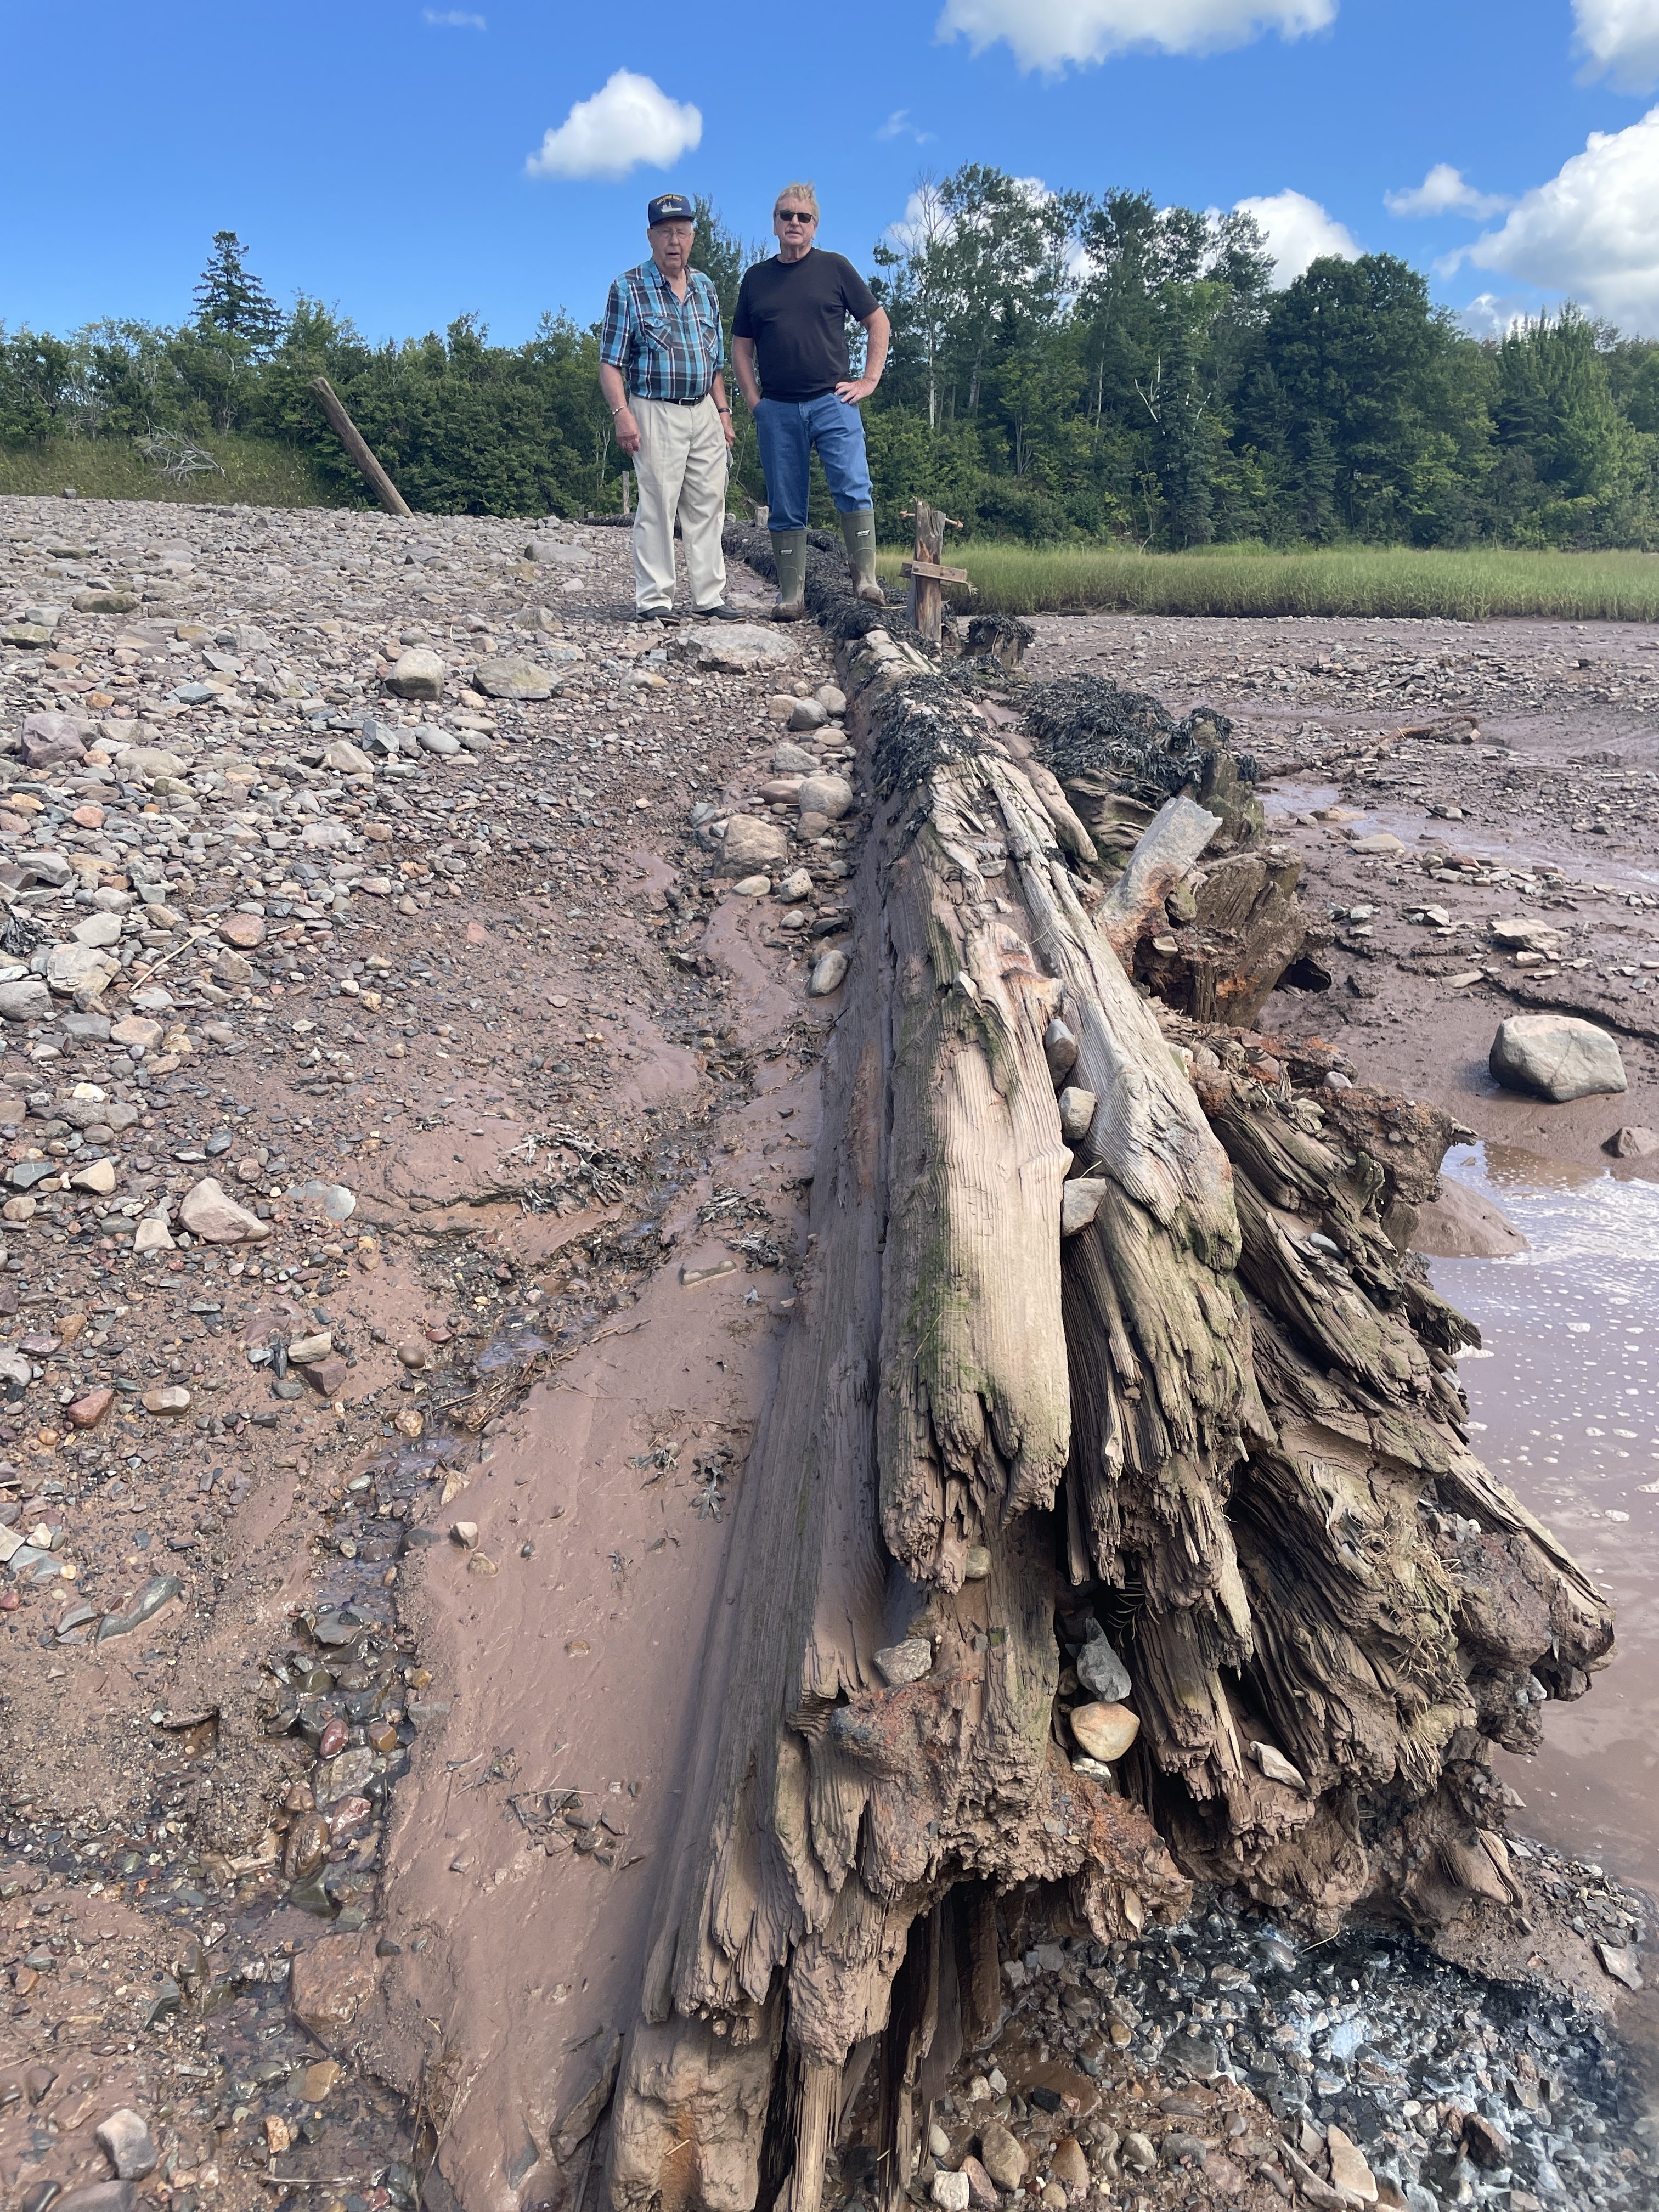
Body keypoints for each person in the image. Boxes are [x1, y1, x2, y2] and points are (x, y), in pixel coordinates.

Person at [731, 183, 890, 620]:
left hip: (833, 400)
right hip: (777, 409)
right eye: (786, 216)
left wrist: (869, 379)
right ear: (775, 224)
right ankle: (790, 595)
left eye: (802, 217)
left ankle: (867, 580)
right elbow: (741, 347)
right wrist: (753, 401)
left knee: (853, 485)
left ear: (815, 226)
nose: (794, 224)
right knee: (785, 502)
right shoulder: (756, 279)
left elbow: (878, 323)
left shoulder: (835, 269)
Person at [599, 193, 742, 624]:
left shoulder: (706, 287)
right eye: (665, 233)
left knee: (708, 503)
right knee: (658, 503)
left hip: (703, 409)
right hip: (654, 408)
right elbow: (610, 364)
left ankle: (710, 596)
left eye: (681, 232)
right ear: (650, 238)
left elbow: (715, 360)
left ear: (692, 237)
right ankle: (655, 600)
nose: (674, 241)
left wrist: (723, 412)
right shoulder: (627, 287)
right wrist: (622, 414)